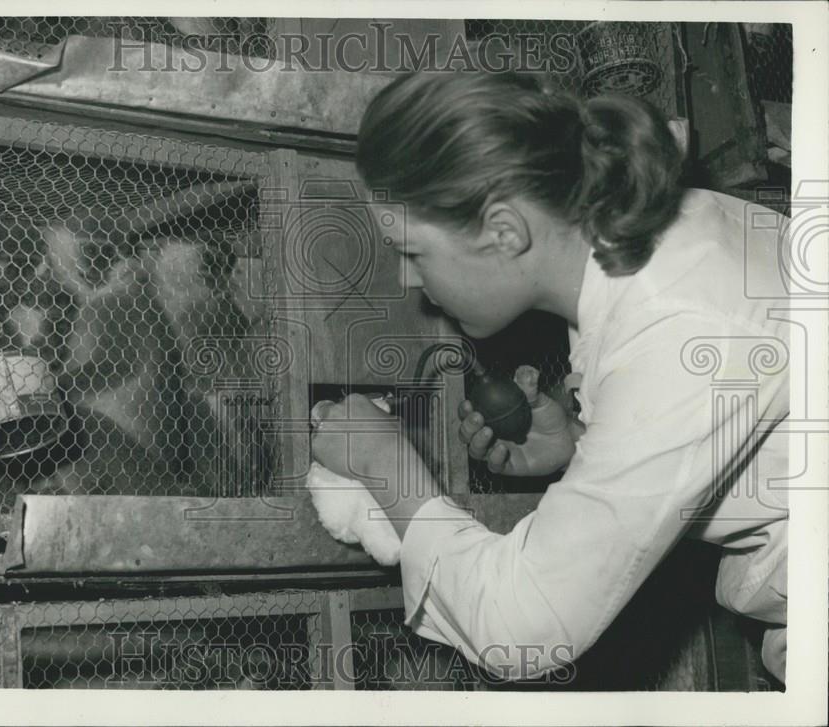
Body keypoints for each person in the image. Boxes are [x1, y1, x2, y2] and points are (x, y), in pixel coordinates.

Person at [309, 71, 790, 684]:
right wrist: (583, 442)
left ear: (504, 233)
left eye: (413, 252)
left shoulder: (679, 327)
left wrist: (385, 465)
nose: (410, 281)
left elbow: (522, 631)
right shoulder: (657, 238)